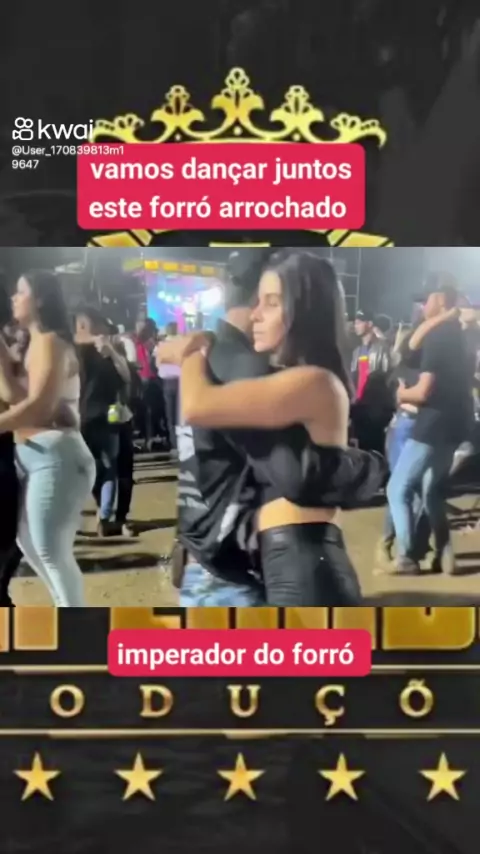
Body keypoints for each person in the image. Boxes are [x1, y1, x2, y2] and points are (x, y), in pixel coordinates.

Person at [159, 250, 386, 607]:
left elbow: (198, 405)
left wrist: (192, 353)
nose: (256, 313)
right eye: (258, 301)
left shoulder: (310, 381)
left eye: (272, 303)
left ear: (302, 311)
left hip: (303, 564)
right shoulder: (291, 380)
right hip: (290, 560)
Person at [0, 271, 96, 606]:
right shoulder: (34, 344)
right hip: (37, 456)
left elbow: (39, 408)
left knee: (51, 553)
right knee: (33, 548)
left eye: (21, 292)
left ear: (40, 299)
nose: (14, 298)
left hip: (56, 458)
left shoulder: (51, 343)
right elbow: (16, 397)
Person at [387, 274, 475, 575]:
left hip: (432, 425)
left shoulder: (439, 337)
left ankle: (406, 557)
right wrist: (446, 316)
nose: (422, 306)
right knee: (431, 492)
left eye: (427, 300)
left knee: (397, 489)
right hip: (456, 425)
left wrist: (401, 395)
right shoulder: (459, 335)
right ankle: (445, 555)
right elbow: (410, 346)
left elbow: (423, 391)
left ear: (440, 298)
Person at [75, 307, 129, 537]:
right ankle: (104, 517)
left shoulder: (70, 350)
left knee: (90, 471)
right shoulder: (107, 350)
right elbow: (125, 378)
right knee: (107, 470)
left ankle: (98, 515)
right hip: (104, 418)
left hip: (82, 419)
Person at [351, 310, 393, 453]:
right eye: (355, 322)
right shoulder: (357, 351)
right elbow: (354, 377)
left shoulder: (382, 347)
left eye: (359, 322)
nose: (355, 325)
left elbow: (388, 376)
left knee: (375, 447)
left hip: (375, 408)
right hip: (360, 405)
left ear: (369, 324)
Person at [157, 321, 180, 456]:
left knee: (170, 415)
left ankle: (174, 444)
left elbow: (156, 363)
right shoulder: (182, 344)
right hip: (181, 381)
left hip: (167, 382)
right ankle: (183, 443)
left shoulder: (161, 345)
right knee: (180, 415)